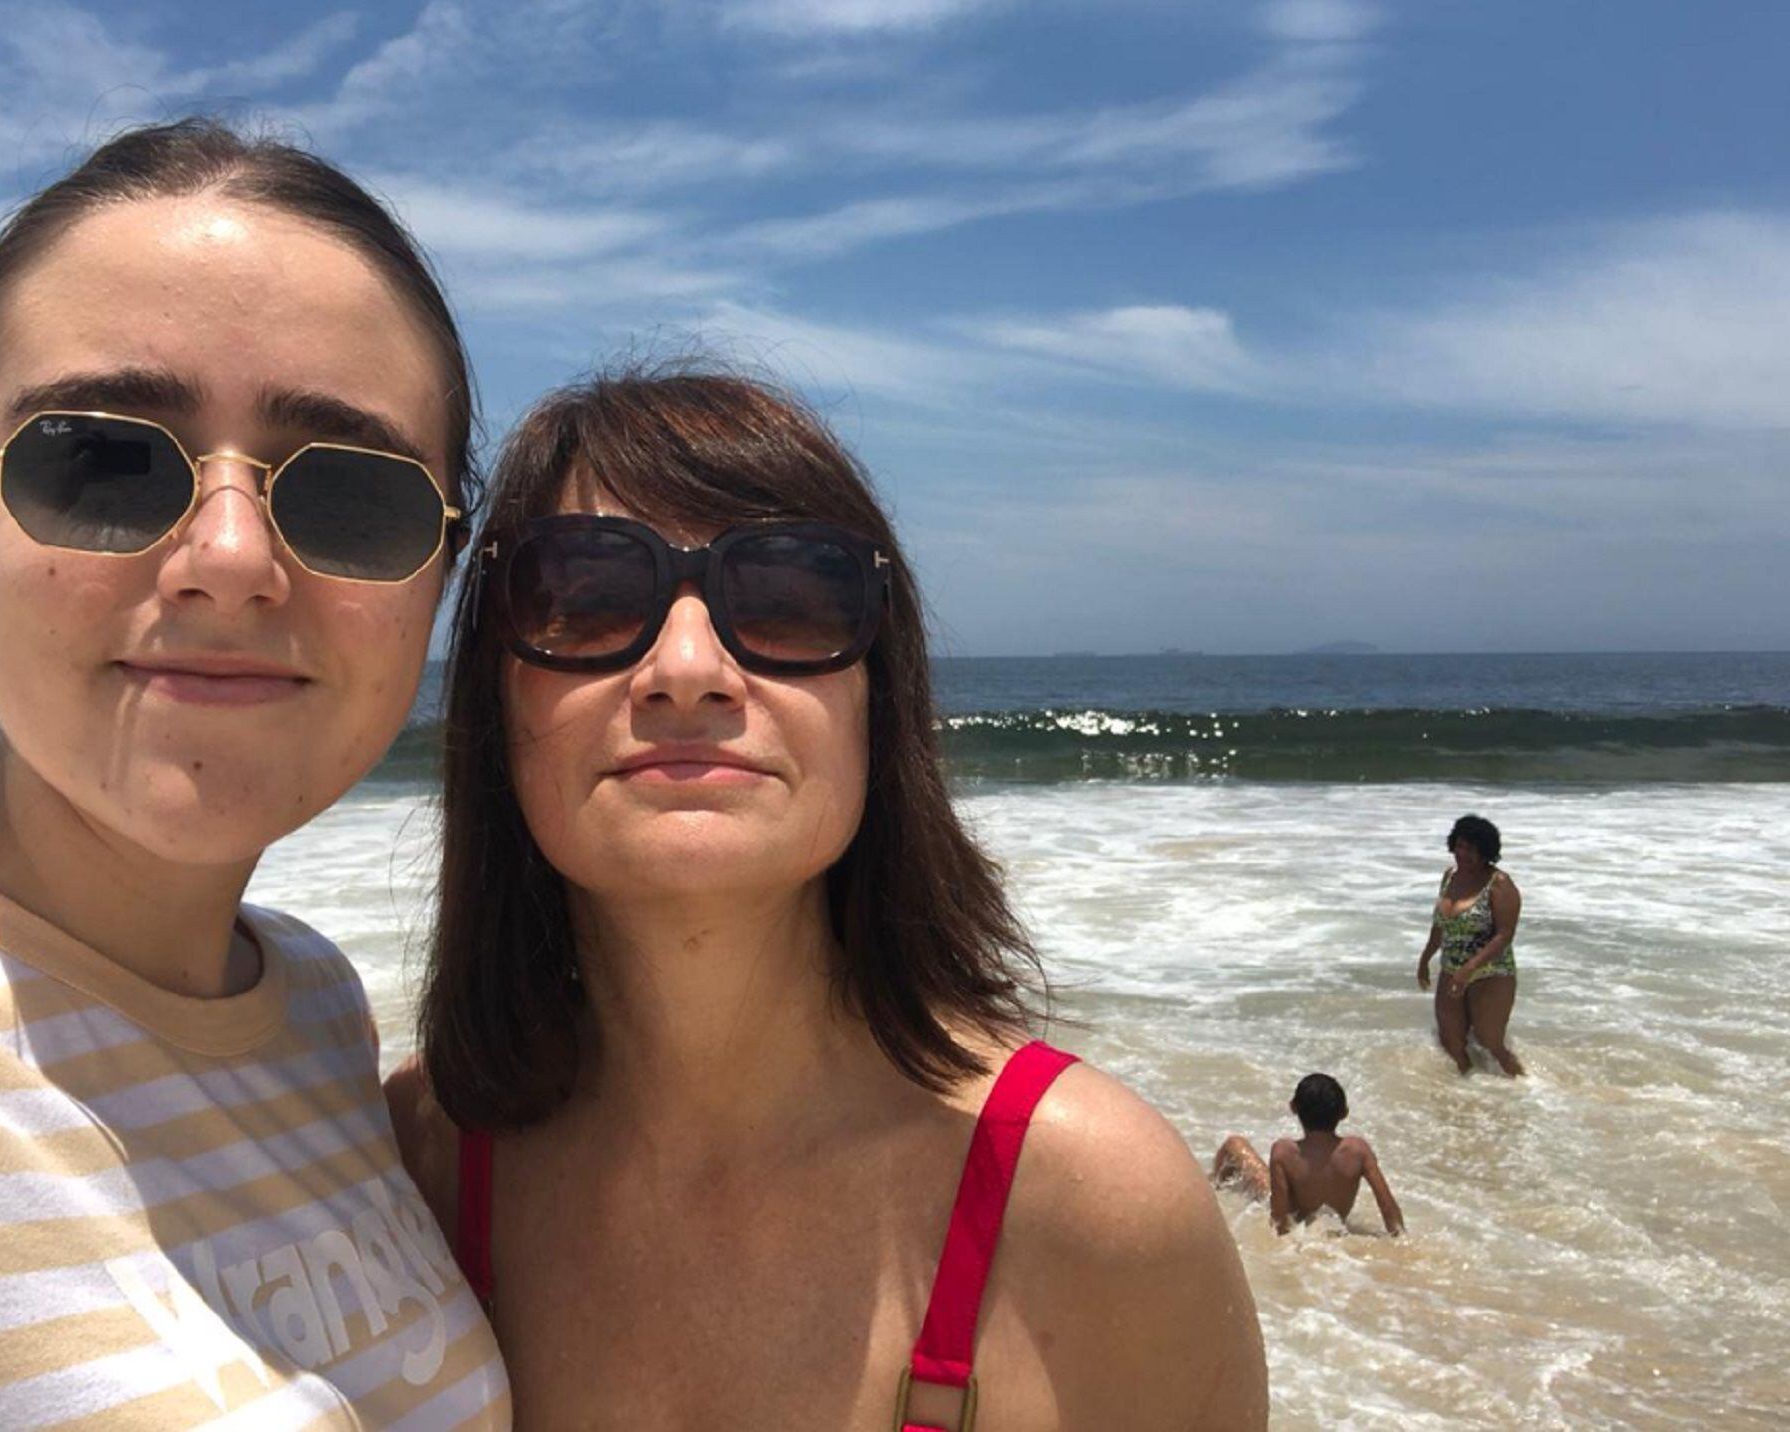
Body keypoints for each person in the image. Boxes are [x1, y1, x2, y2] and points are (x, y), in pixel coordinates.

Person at [385, 369, 1267, 1428]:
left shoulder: (1091, 1198)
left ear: (876, 701)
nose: (687, 667)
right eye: (585, 596)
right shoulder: (412, 1167)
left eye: (791, 599)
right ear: (495, 694)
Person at [0, 120, 510, 1426]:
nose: (227, 553)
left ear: (440, 570)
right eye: (100, 460)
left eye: (352, 493)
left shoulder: (316, 1006)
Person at [1213, 1074, 1404, 1236]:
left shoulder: (1284, 1151)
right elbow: (1387, 1206)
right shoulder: (1358, 1150)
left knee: (1234, 1144)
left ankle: (1212, 1191)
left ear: (1293, 1107)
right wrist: (1400, 1239)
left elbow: (1279, 1219)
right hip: (1332, 1226)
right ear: (1344, 1113)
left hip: (1297, 1222)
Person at [1416, 813, 1524, 1075]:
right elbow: (1440, 924)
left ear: (1486, 852)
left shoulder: (1499, 884)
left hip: (1492, 972)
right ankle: (1468, 1094)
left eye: (1471, 850)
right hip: (1452, 969)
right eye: (1460, 847)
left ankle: (1526, 1090)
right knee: (1451, 1041)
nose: (1463, 854)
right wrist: (1425, 959)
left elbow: (1504, 934)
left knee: (1491, 1042)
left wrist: (1470, 969)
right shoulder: (1450, 876)